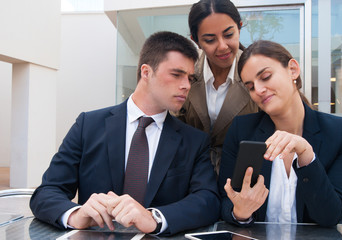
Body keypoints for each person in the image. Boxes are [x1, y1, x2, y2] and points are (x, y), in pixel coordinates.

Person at [30, 31, 220, 236]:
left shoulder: (194, 140)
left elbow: (208, 200)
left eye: (190, 78)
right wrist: (76, 214)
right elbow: (46, 192)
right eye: (176, 74)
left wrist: (154, 218)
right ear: (146, 72)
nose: (186, 85)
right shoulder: (88, 125)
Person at [219, 40, 342, 226]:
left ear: (293, 69)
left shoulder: (341, 133)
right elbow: (225, 200)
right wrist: (240, 213)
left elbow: (330, 216)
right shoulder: (242, 130)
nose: (259, 90)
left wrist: (306, 156)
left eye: (266, 76)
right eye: (251, 86)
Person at [174, 0, 258, 175]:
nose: (222, 46)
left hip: (241, 175)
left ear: (239, 28)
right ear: (196, 41)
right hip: (189, 173)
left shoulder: (255, 73)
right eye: (210, 39)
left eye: (229, 35)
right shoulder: (185, 72)